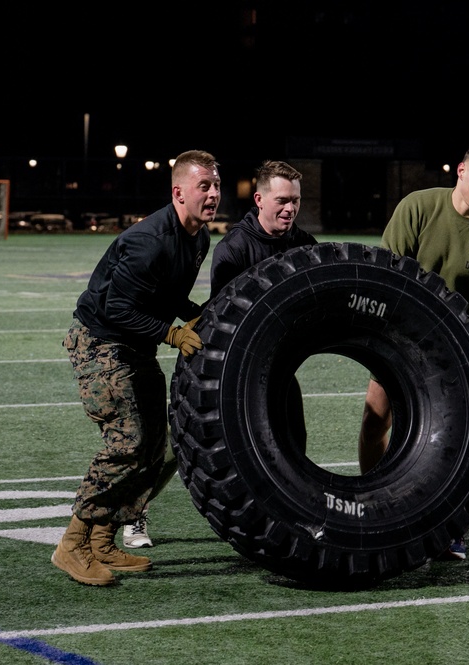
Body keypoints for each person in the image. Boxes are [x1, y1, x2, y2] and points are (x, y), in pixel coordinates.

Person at [123, 159, 317, 550]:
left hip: (279, 366)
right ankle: (134, 510)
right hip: (231, 367)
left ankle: (292, 517)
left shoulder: (304, 245)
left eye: (295, 201)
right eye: (282, 200)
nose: (290, 209)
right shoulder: (235, 248)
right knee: (182, 446)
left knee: (294, 441)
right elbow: (232, 323)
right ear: (259, 199)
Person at [53, 149, 220, 586]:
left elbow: (163, 293)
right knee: (128, 442)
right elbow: (117, 308)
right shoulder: (149, 241)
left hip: (137, 346)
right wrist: (173, 333)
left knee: (156, 449)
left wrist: (193, 311)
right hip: (102, 343)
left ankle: (104, 539)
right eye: (205, 186)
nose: (214, 194)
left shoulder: (198, 238)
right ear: (178, 192)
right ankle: (72, 544)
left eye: (216, 185)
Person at [357, 144, 469, 561]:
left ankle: (446, 528)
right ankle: (375, 507)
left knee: (450, 446)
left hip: (454, 354)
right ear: (462, 172)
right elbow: (388, 269)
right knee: (376, 418)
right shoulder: (418, 207)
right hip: (397, 336)